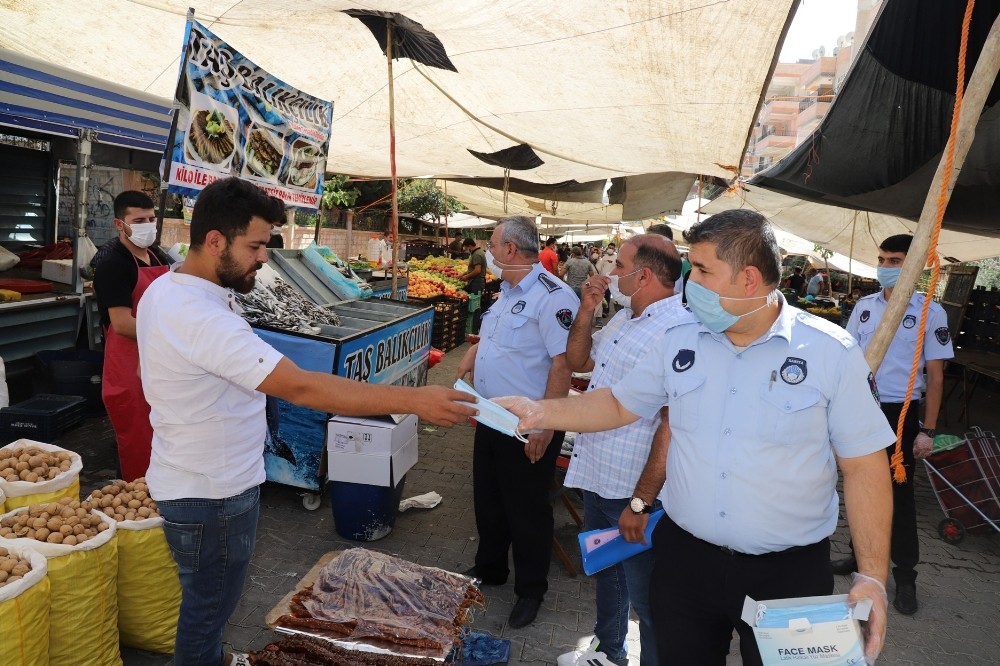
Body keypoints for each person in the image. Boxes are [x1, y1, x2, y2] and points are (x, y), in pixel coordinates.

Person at [497, 209, 895, 666]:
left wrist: (871, 577)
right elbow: (617, 404)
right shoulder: (681, 339)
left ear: (749, 279)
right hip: (686, 561)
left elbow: (864, 466)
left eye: (702, 270)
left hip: (787, 575)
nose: (691, 282)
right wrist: (540, 410)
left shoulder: (831, 353)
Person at [135, 177, 478, 666]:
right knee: (206, 612)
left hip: (194, 477)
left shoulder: (175, 290)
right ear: (215, 241)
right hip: (213, 493)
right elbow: (301, 387)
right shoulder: (198, 314)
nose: (263, 258)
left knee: (205, 609)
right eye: (255, 246)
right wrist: (416, 400)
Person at [565, 235, 691, 666]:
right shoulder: (626, 319)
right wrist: (586, 309)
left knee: (648, 595)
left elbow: (672, 423)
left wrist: (642, 500)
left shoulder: (677, 331)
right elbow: (579, 361)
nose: (610, 273)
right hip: (598, 472)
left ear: (644, 276)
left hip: (635, 486)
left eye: (618, 266)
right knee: (606, 571)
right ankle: (608, 651)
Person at [455, 215, 579, 630]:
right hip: (490, 415)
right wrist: (474, 355)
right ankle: (490, 570)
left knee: (527, 511)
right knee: (489, 502)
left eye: (492, 245)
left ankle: (531, 590)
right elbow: (493, 339)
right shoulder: (506, 292)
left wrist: (546, 424)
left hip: (529, 424)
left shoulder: (554, 296)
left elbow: (563, 364)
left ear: (510, 249)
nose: (488, 253)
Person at [831, 234, 954, 615]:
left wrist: (928, 430)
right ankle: (858, 557)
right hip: (860, 408)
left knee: (897, 499)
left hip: (899, 414)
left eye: (895, 260)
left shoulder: (930, 312)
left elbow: (935, 378)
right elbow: (846, 360)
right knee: (857, 485)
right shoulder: (865, 307)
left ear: (914, 265)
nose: (885, 267)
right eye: (882, 259)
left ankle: (905, 577)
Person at [93, 191, 173, 481]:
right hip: (129, 369)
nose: (148, 225)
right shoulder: (113, 263)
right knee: (138, 441)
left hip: (159, 363)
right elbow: (122, 324)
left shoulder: (156, 255)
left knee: (163, 439)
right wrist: (171, 331)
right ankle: (137, 508)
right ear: (119, 224)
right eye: (138, 220)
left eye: (151, 219)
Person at [459, 237, 487, 333]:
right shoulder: (478, 252)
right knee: (476, 304)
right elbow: (472, 269)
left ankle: (474, 329)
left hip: (477, 282)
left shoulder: (477, 255)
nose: (467, 250)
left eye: (467, 248)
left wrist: (466, 278)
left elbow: (477, 270)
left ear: (469, 246)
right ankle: (475, 328)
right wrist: (463, 274)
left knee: (475, 305)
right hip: (477, 282)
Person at [595, 243, 618, 320]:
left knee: (607, 295)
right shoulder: (604, 257)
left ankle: (605, 311)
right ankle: (601, 311)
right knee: (602, 295)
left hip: (611, 280)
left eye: (612, 248)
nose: (610, 249)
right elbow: (598, 268)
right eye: (609, 247)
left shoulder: (616, 258)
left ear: (614, 249)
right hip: (602, 279)